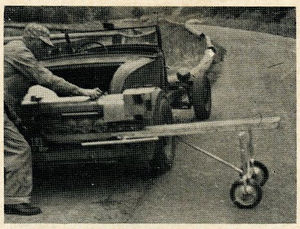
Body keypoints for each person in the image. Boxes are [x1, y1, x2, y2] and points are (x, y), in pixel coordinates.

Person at [4, 23, 102, 216]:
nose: (45, 49)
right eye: (42, 44)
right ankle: (13, 200)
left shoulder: (13, 49)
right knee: (19, 149)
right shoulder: (19, 52)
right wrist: (82, 91)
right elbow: (46, 79)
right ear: (31, 40)